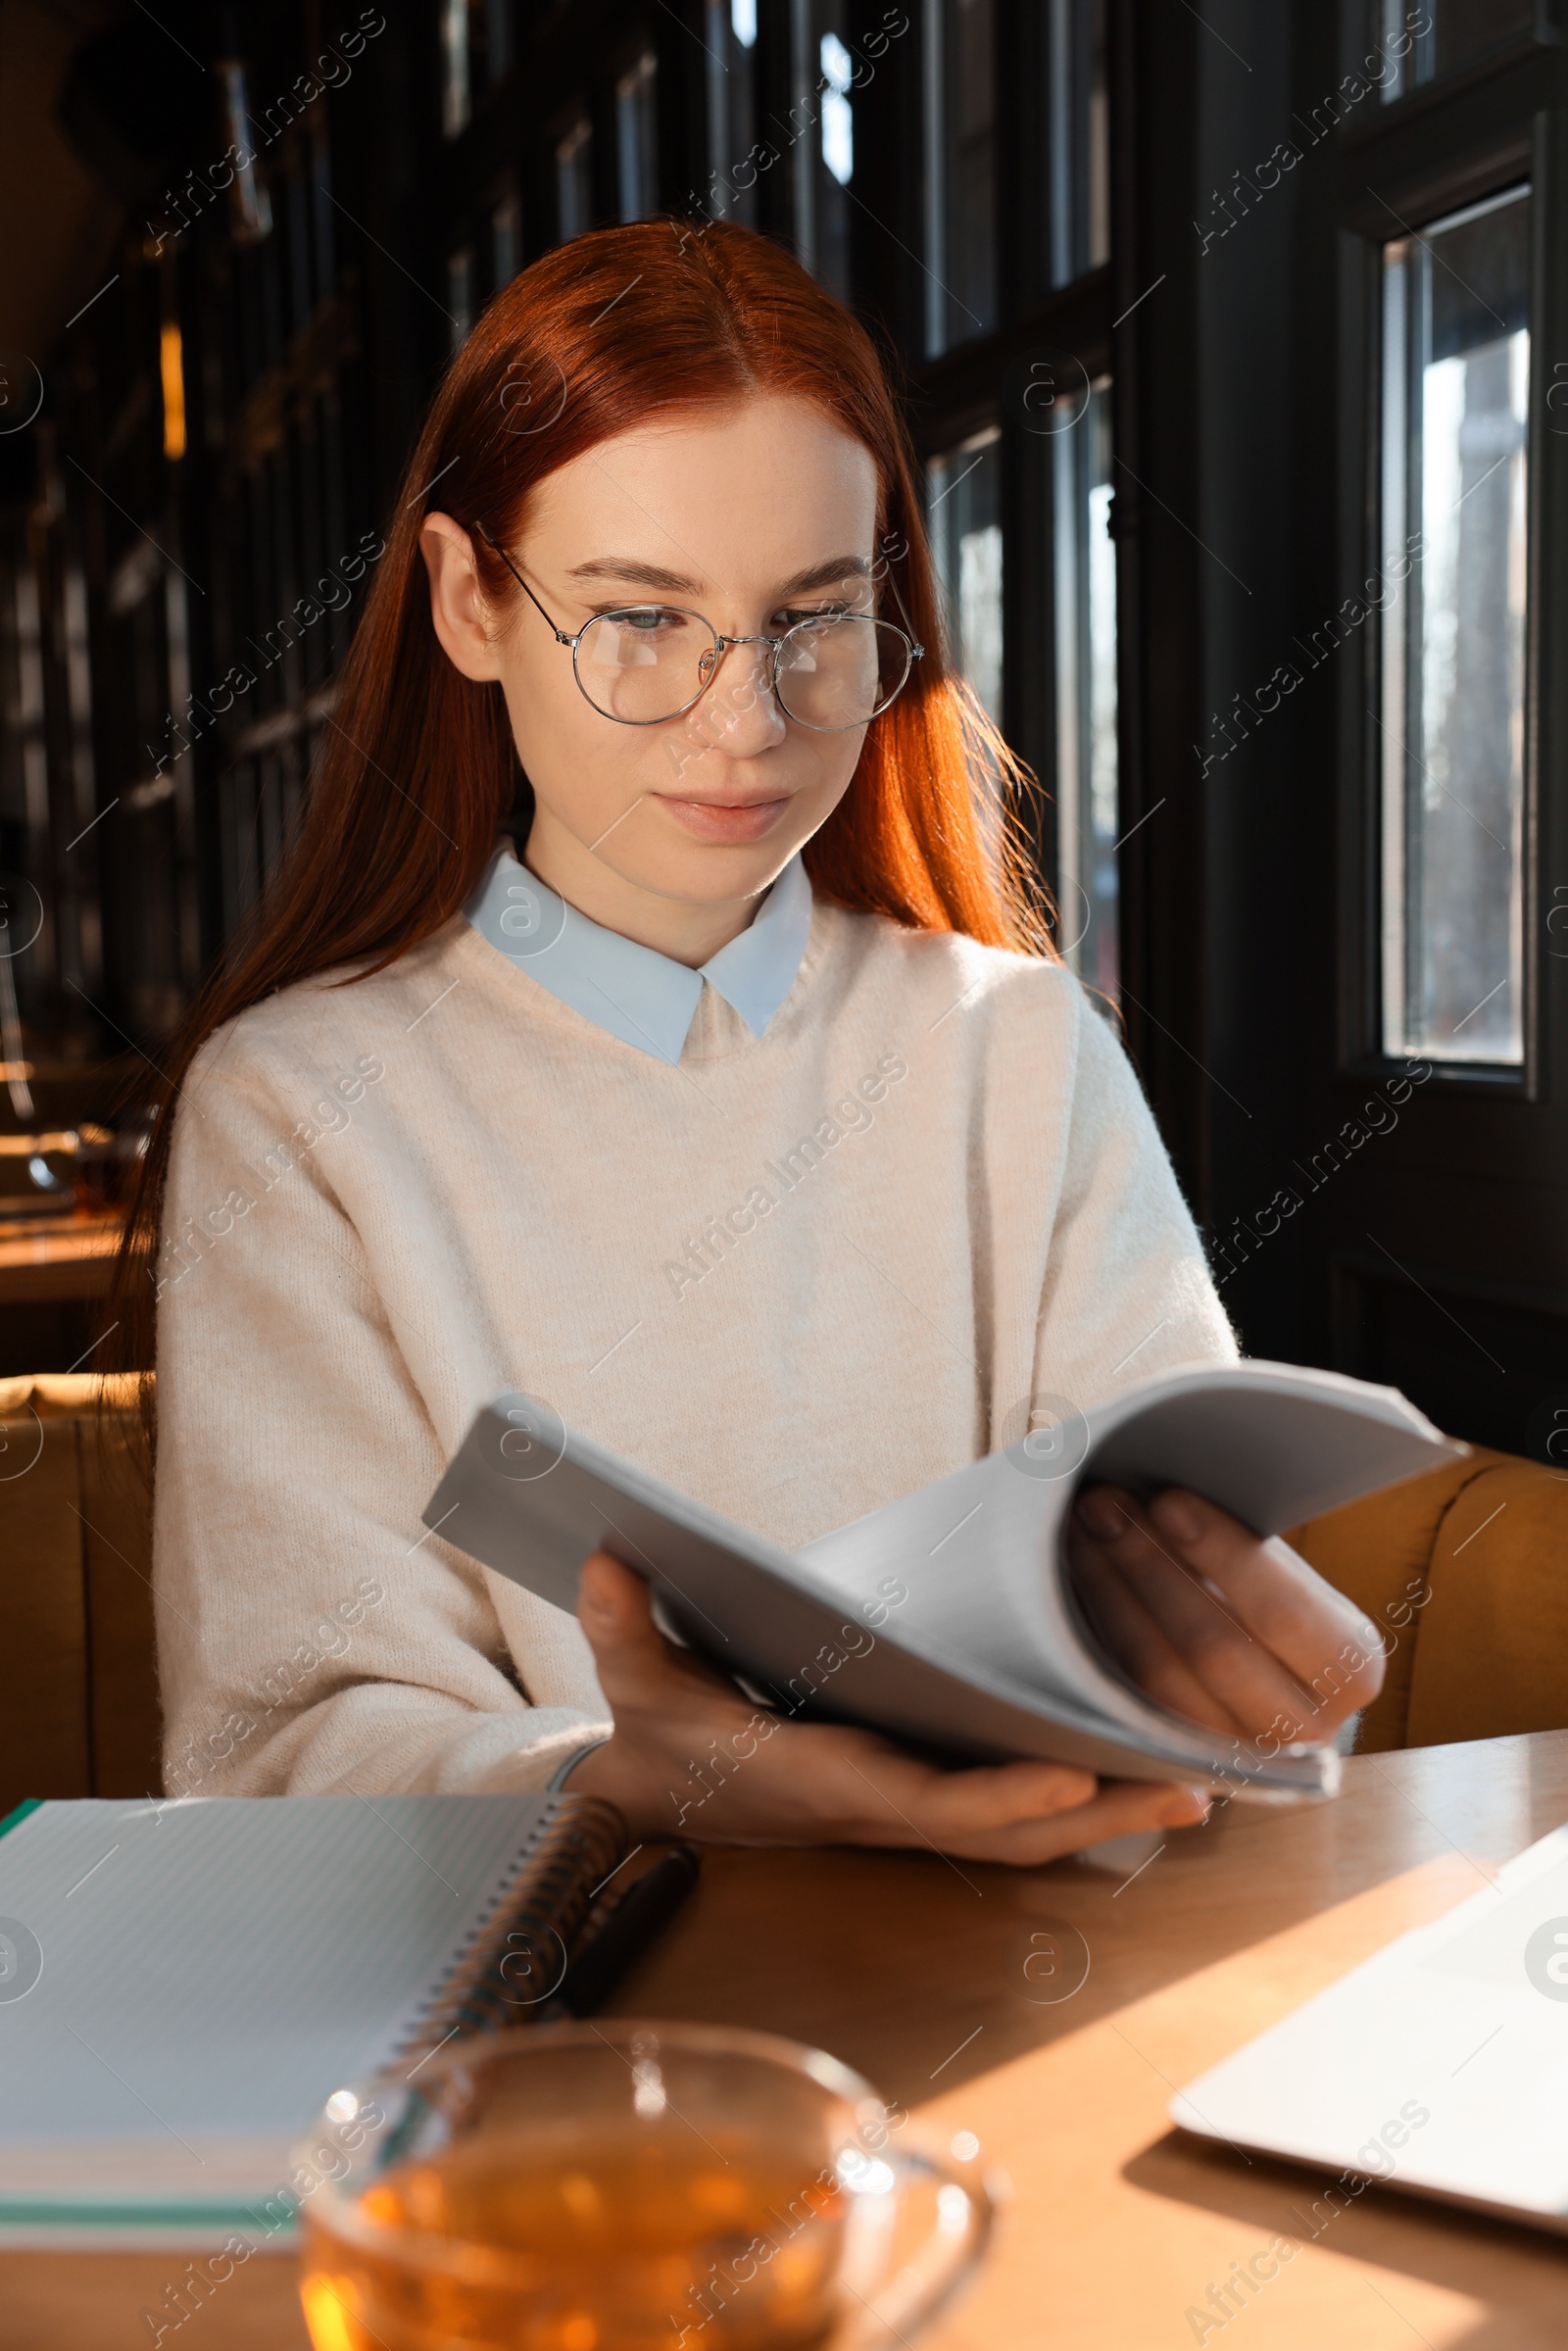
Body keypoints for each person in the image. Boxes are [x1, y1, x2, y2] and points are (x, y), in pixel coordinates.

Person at [130, 219, 1382, 1864]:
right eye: (640, 620)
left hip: (1036, 1977)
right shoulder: (299, 1109)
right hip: (565, 2054)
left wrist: (1248, 1684)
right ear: (469, 602)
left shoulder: (1015, 1049)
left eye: (815, 618)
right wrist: (637, 1774)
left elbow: (1167, 1592)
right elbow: (277, 1753)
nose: (749, 721)